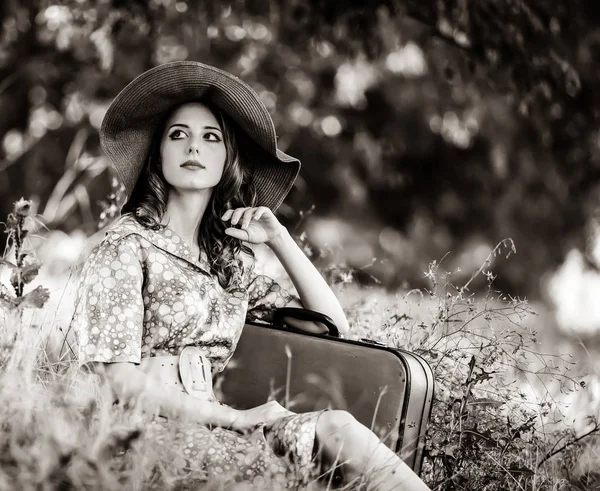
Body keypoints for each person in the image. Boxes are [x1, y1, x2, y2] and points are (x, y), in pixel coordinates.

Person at [72, 60, 431, 490]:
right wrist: (238, 417)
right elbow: (120, 380)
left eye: (211, 138)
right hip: (145, 432)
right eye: (178, 135)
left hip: (216, 430)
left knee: (338, 428)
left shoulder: (226, 263)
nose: (193, 147)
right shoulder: (125, 245)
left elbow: (334, 325)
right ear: (158, 153)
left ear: (227, 160)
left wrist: (280, 239)